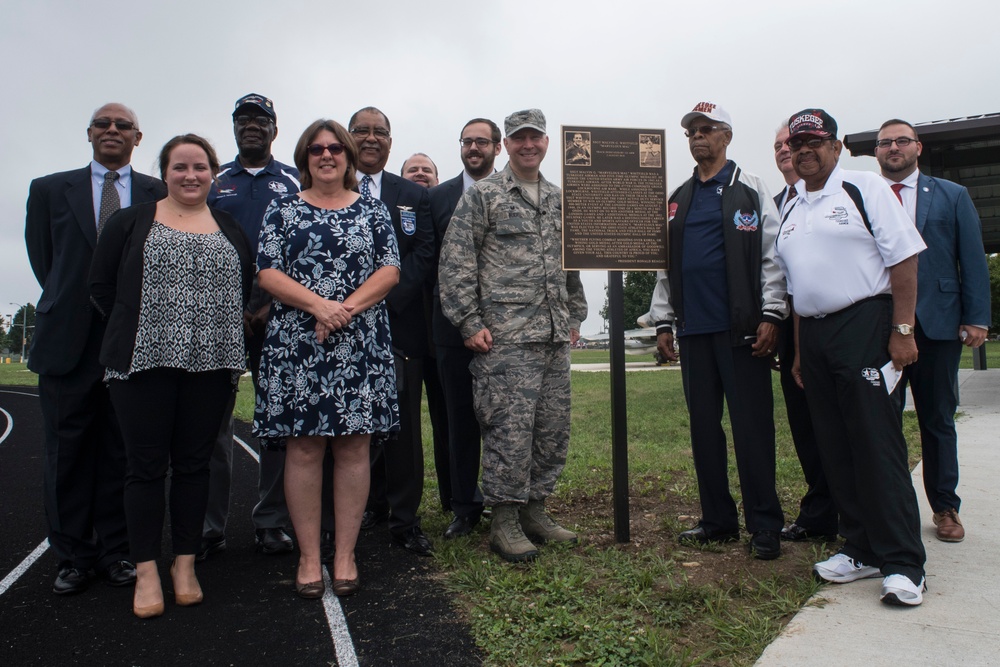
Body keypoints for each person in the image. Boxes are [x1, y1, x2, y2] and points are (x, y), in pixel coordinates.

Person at [90, 134, 254, 618]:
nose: (190, 175)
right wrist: (140, 329)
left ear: (213, 174)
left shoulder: (229, 228)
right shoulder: (130, 221)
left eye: (200, 167)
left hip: (211, 365)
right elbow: (100, 286)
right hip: (142, 365)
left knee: (194, 466)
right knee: (143, 468)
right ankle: (145, 571)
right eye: (180, 166)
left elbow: (243, 286)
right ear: (164, 172)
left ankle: (184, 565)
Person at [774, 109, 928, 606]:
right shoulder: (792, 205)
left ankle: (904, 562)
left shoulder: (864, 188)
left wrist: (902, 331)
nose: (805, 151)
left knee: (875, 442)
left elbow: (903, 257)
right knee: (834, 446)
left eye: (816, 142)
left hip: (865, 324)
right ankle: (860, 547)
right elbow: (797, 287)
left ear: (836, 147)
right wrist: (799, 350)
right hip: (814, 336)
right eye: (798, 144)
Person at [255, 119, 400, 598]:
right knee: (304, 447)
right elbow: (268, 274)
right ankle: (310, 556)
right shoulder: (282, 209)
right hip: (299, 341)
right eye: (316, 149)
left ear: (349, 156)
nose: (327, 155)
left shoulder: (374, 211)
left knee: (355, 446)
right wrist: (319, 307)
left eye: (336, 148)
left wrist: (343, 311)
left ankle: (345, 555)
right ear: (304, 158)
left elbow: (390, 271)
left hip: (360, 342)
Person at [25, 102, 165, 596]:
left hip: (131, 342)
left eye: (122, 125)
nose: (112, 130)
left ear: (138, 137)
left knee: (121, 450)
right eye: (103, 124)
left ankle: (116, 551)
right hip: (67, 343)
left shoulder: (157, 193)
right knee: (66, 453)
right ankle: (72, 556)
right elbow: (45, 260)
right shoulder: (48, 190)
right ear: (88, 134)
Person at [439, 109, 588, 563]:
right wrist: (469, 322)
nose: (529, 145)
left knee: (550, 431)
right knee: (508, 431)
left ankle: (535, 511)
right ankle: (503, 521)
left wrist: (575, 312)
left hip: (552, 336)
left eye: (536, 138)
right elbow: (456, 262)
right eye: (519, 138)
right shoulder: (484, 196)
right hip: (503, 340)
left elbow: (571, 264)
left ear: (546, 143)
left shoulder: (560, 199)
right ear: (507, 143)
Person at [649, 102, 786, 561]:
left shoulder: (751, 189)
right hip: (694, 333)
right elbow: (664, 267)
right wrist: (664, 321)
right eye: (691, 131)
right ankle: (717, 521)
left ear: (726, 136)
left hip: (743, 333)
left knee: (752, 430)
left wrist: (771, 314)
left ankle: (765, 525)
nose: (698, 137)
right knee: (705, 431)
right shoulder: (678, 197)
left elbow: (773, 255)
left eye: (707, 130)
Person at [875, 118, 991, 543]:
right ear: (877, 152)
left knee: (937, 419)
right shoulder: (864, 196)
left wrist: (976, 316)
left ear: (918, 148)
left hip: (937, 325)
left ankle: (945, 508)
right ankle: (891, 509)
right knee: (881, 422)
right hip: (880, 328)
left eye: (901, 141)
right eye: (885, 142)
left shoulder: (951, 195)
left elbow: (971, 257)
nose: (893, 148)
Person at [199, 93, 301, 561]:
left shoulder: (294, 181)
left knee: (276, 424)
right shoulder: (213, 182)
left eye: (261, 120)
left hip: (278, 319)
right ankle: (207, 525)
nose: (251, 126)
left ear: (274, 129)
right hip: (219, 319)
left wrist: (268, 302)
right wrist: (232, 304)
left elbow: (305, 252)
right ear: (235, 128)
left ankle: (271, 521)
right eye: (243, 119)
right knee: (210, 425)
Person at [349, 107, 436, 557]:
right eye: (361, 131)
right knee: (350, 429)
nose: (370, 138)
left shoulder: (411, 195)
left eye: (379, 132)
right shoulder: (330, 186)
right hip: (340, 329)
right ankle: (358, 511)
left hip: (399, 328)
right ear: (349, 137)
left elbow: (422, 255)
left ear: (389, 140)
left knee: (401, 431)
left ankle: (405, 520)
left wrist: (382, 301)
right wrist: (348, 308)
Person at [429, 118, 502, 539]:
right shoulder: (437, 198)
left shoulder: (512, 192)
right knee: (457, 419)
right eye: (467, 141)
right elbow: (428, 266)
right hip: (451, 329)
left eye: (482, 142)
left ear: (498, 147)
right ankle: (464, 506)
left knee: (504, 419)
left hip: (505, 326)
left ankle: (505, 499)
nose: (474, 148)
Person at [772, 120, 838, 542]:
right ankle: (819, 511)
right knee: (805, 426)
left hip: (845, 327)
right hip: (791, 331)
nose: (787, 150)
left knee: (844, 426)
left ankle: (857, 514)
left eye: (793, 143)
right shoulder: (777, 203)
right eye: (780, 145)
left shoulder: (850, 193)